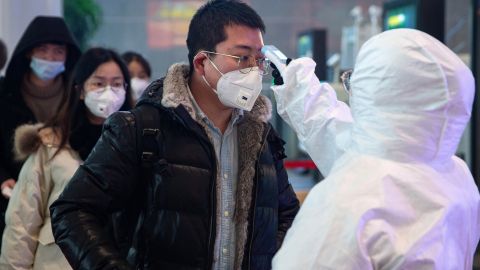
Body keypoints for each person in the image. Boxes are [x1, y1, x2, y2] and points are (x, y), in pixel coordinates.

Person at [50, 1, 300, 269]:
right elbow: (72, 211)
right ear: (203, 62)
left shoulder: (261, 137)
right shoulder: (142, 128)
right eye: (242, 57)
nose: (254, 69)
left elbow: (287, 214)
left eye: (259, 59)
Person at [270, 29, 480, 269]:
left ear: (375, 95)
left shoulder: (344, 204)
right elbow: (353, 144)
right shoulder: (456, 177)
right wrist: (298, 90)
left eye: (355, 83)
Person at [0, 47, 132, 269]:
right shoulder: (52, 143)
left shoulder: (137, 145)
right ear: (80, 90)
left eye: (117, 84)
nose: (109, 91)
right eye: (98, 83)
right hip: (57, 260)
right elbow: (23, 220)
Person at [0, 16, 81, 236]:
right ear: (28, 52)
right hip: (13, 194)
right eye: (42, 50)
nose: (50, 57)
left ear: (68, 54)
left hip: (68, 196)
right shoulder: (6, 94)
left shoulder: (77, 96)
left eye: (58, 51)